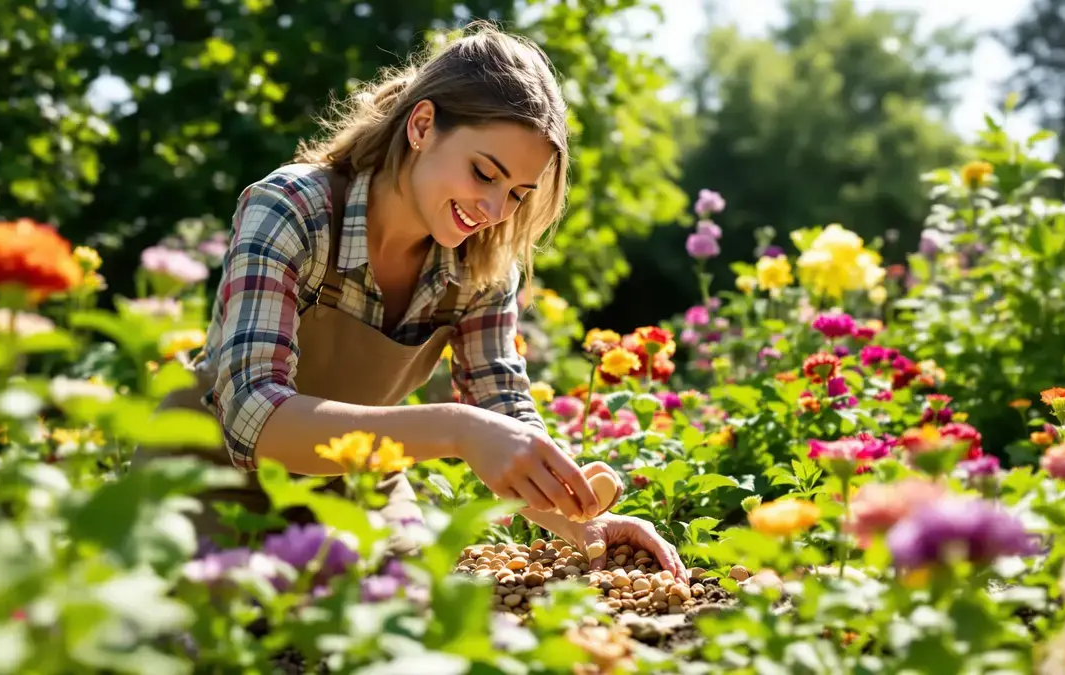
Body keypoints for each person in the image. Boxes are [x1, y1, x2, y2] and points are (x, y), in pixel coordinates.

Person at [133, 22, 687, 581]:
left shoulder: (483, 264)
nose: (495, 210)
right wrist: (456, 429)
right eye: (484, 173)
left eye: (517, 194)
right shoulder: (292, 209)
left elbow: (502, 412)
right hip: (208, 474)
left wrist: (577, 518)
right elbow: (254, 418)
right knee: (217, 629)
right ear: (422, 125)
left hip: (352, 486)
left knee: (407, 617)